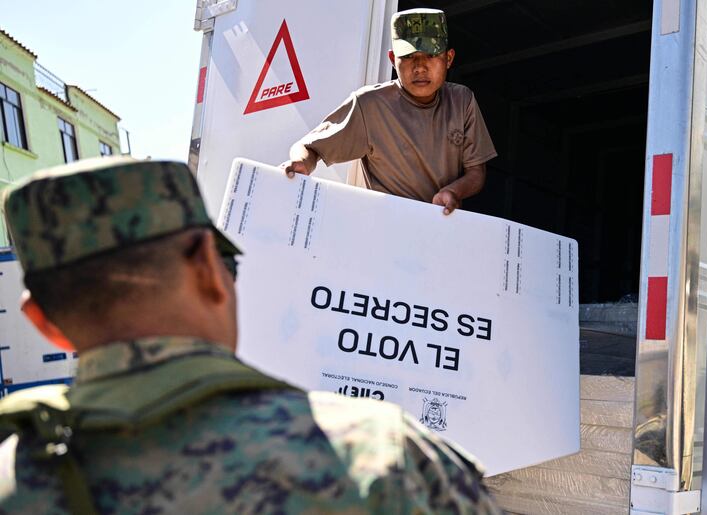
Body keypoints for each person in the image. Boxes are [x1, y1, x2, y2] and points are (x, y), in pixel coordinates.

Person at [0, 156, 501, 514]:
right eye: (229, 265)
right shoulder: (380, 453)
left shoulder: (13, 473)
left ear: (43, 321)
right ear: (206, 269)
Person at [283, 8, 497, 215]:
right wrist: (301, 163)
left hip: (440, 226)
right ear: (393, 59)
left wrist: (453, 192)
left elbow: (476, 171)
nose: (420, 67)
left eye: (430, 55)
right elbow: (308, 147)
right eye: (409, 56)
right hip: (383, 227)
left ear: (448, 59)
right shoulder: (369, 104)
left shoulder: (462, 101)